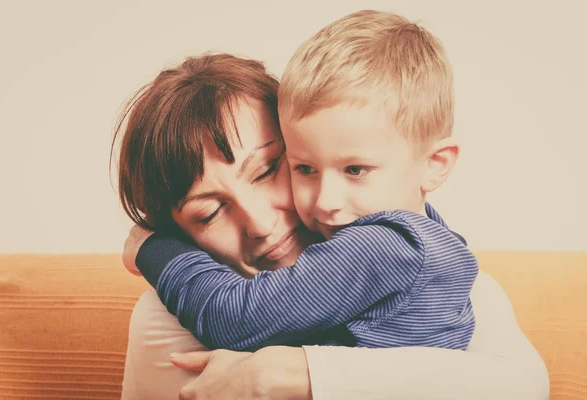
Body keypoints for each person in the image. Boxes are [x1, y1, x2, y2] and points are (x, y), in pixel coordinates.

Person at [113, 13, 549, 400]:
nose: (262, 223)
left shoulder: (400, 251)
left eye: (267, 170)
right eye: (209, 213)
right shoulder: (163, 319)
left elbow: (524, 384)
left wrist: (302, 373)